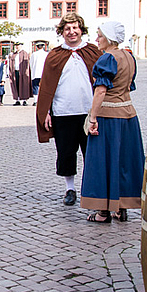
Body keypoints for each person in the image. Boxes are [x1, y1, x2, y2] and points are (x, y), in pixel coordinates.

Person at [35, 13, 102, 206]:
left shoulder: (93, 52)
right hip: (63, 111)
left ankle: (91, 189)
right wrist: (46, 111)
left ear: (81, 29)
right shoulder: (55, 55)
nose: (71, 32)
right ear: (62, 32)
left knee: (92, 153)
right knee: (66, 153)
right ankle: (70, 189)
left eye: (75, 28)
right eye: (67, 29)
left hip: (89, 113)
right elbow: (46, 86)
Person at [80, 21, 144, 223]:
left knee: (103, 161)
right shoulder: (128, 56)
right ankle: (120, 206)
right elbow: (128, 86)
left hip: (109, 117)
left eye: (99, 35)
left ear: (108, 37)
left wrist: (93, 117)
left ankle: (103, 211)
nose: (96, 38)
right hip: (128, 116)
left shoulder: (107, 58)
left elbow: (100, 90)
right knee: (123, 160)